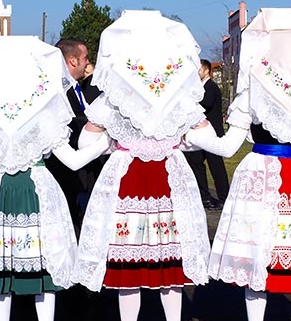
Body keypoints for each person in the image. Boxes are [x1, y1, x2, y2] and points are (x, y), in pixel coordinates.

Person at [186, 9, 291, 321]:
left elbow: (228, 146)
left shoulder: (253, 87)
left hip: (261, 176)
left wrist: (192, 132)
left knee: (258, 260)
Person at [0, 35, 109, 321]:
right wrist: (106, 143)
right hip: (37, 189)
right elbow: (73, 160)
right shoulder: (47, 110)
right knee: (45, 268)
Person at [74, 10, 211, 321]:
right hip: (167, 173)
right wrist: (179, 140)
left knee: (129, 268)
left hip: (128, 175)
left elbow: (86, 141)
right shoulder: (177, 92)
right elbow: (205, 135)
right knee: (170, 261)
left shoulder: (114, 94)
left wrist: (111, 143)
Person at [45, 38, 103, 235]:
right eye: (85, 58)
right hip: (64, 170)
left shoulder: (77, 87)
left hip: (83, 172)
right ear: (72, 60)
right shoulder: (58, 91)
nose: (88, 62)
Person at [184, 59, 229, 210]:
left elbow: (206, 103)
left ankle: (224, 197)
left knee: (216, 166)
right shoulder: (199, 88)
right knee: (196, 163)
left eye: (199, 70)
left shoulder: (211, 87)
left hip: (212, 134)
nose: (197, 73)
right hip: (200, 134)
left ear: (206, 71)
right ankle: (204, 196)